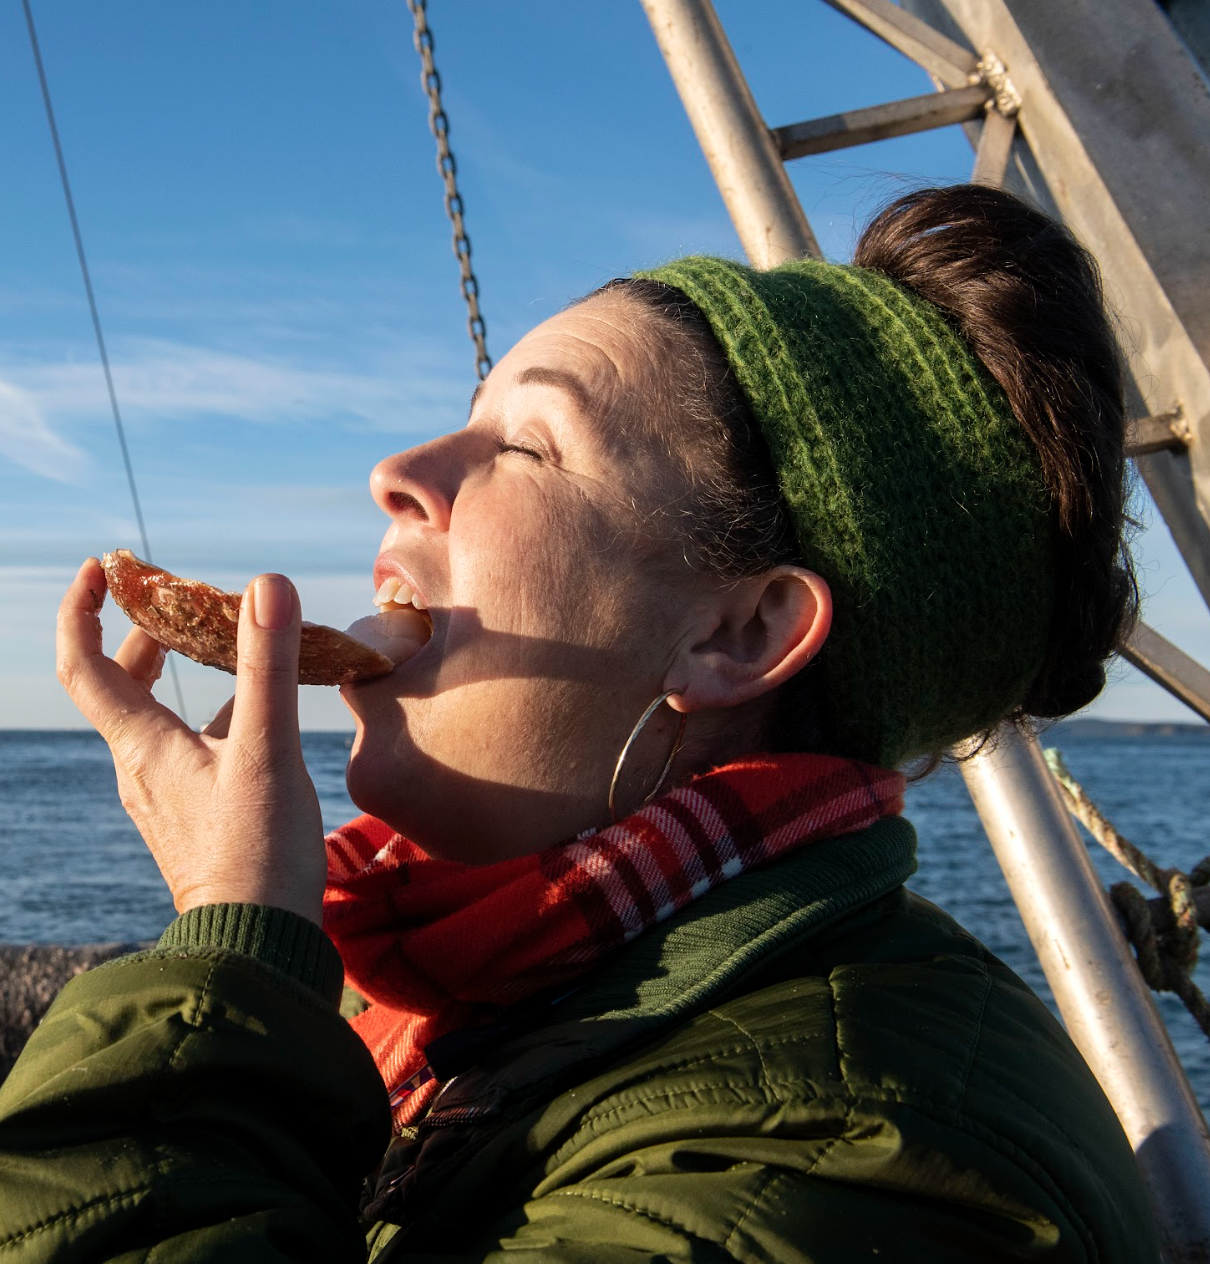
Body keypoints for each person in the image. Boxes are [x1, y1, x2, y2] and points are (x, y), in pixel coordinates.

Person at [0, 185, 1159, 1261]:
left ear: (740, 635)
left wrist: (231, 944)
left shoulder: (860, 1146)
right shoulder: (433, 978)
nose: (394, 471)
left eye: (525, 446)